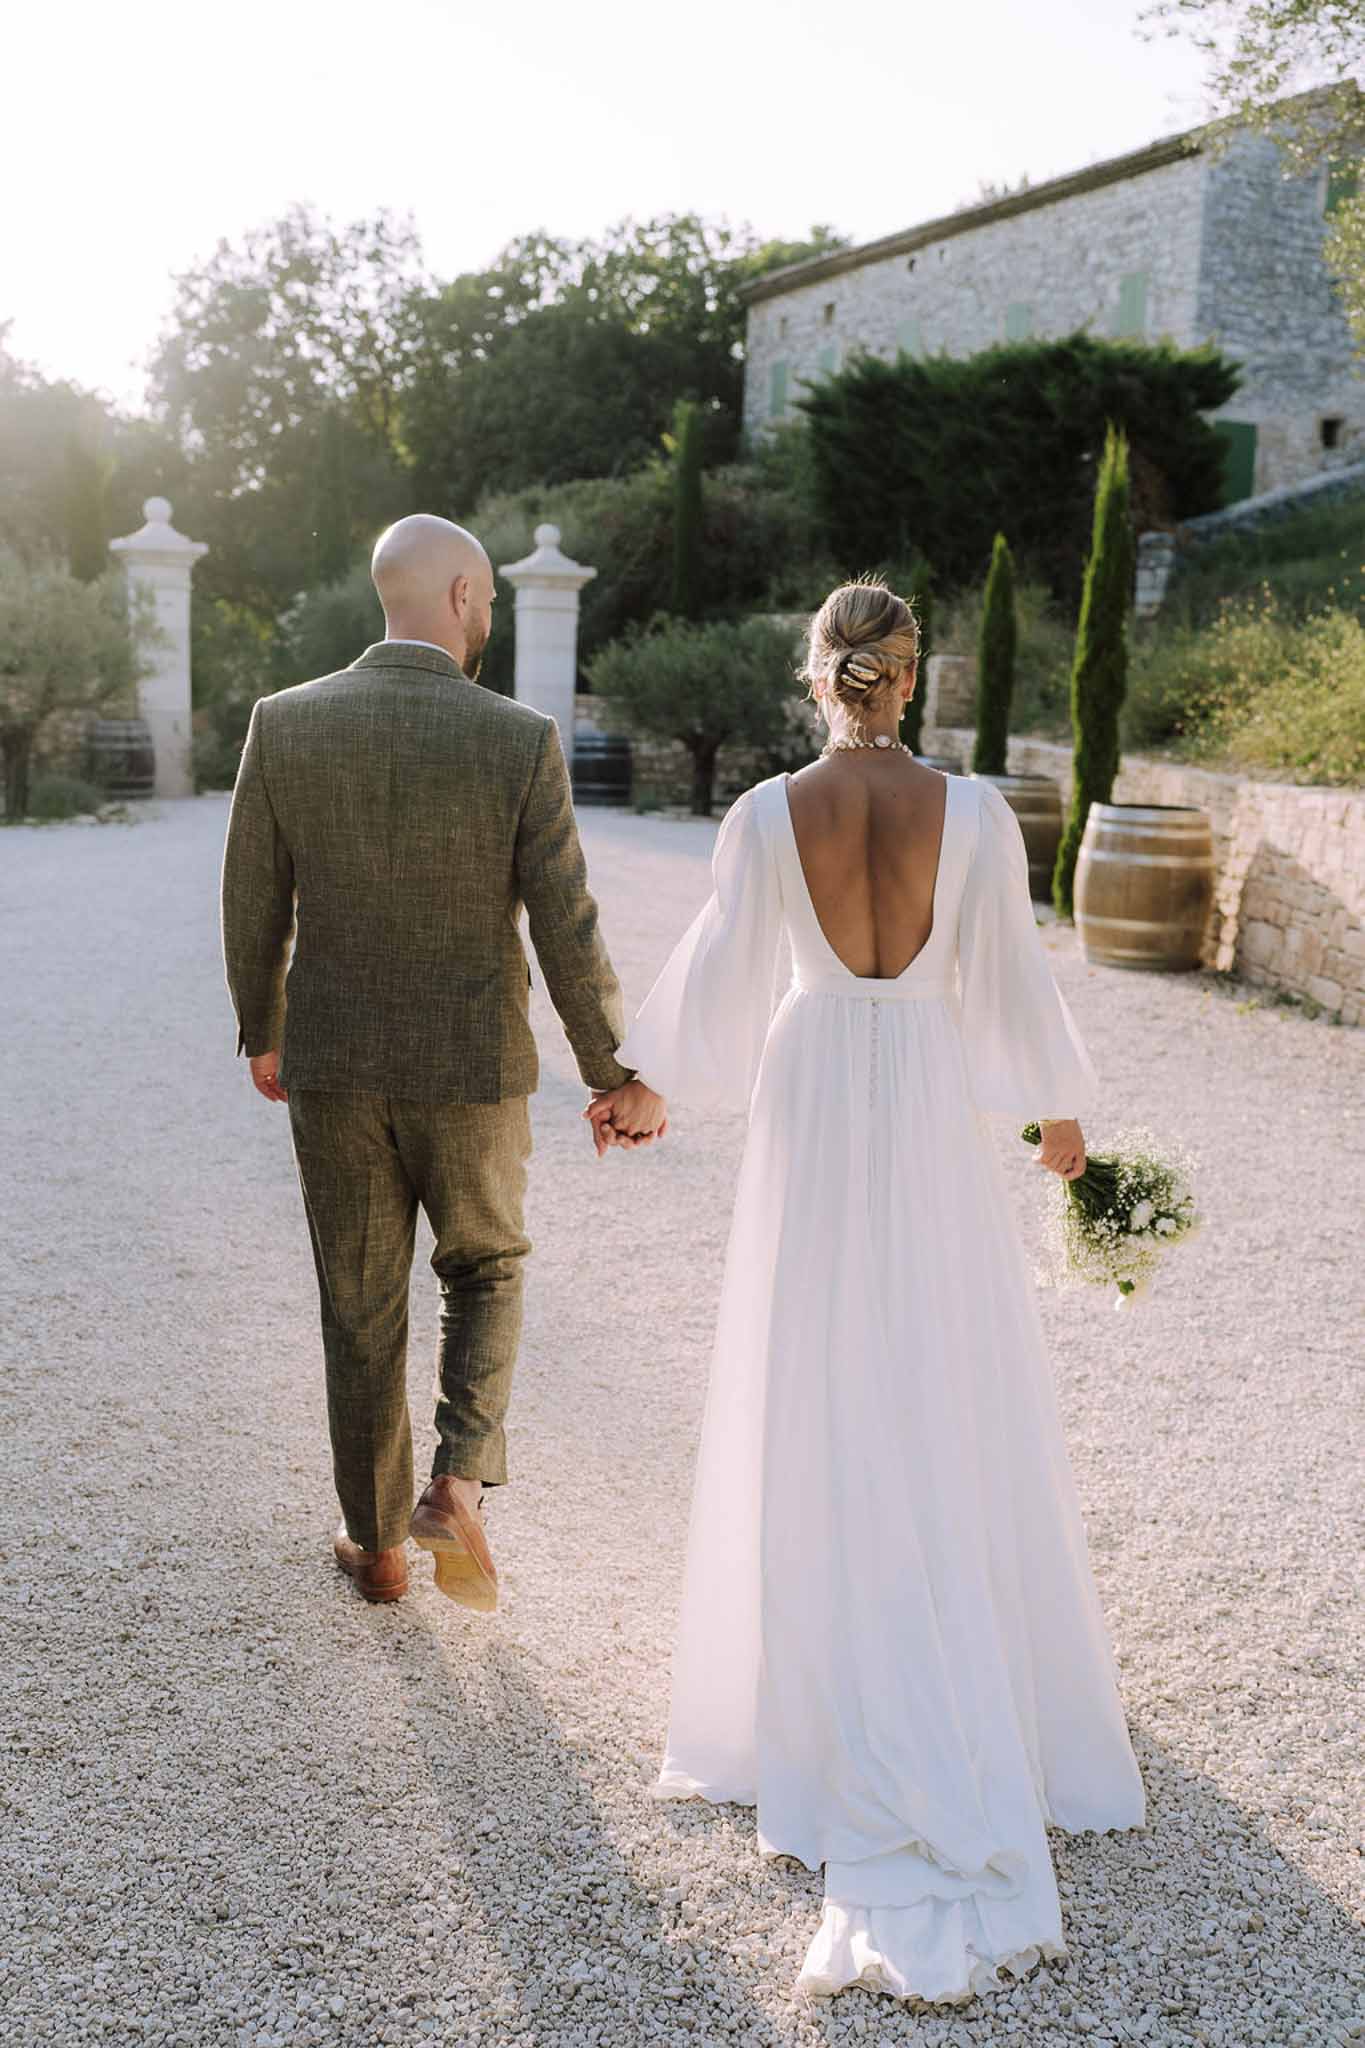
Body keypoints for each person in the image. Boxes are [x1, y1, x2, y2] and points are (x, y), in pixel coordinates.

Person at [586, 579, 1146, 2007]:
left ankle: (821, 1685)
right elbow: (1012, 978)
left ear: (821, 678)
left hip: (818, 1085)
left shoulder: (767, 813)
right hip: (929, 1094)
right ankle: (955, 1658)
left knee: (817, 1371)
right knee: (939, 1370)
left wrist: (648, 1089)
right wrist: (1061, 1122)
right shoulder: (974, 815)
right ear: (912, 681)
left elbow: (720, 974)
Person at [220, 514, 661, 1610]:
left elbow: (250, 898)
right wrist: (612, 1070)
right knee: (487, 1264)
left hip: (332, 1058)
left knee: (358, 1298)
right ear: (463, 592)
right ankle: (457, 1481)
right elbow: (568, 922)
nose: (492, 620)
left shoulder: (285, 722)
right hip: (471, 1061)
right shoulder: (517, 737)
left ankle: (375, 1545)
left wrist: (263, 1026)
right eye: (493, 603)